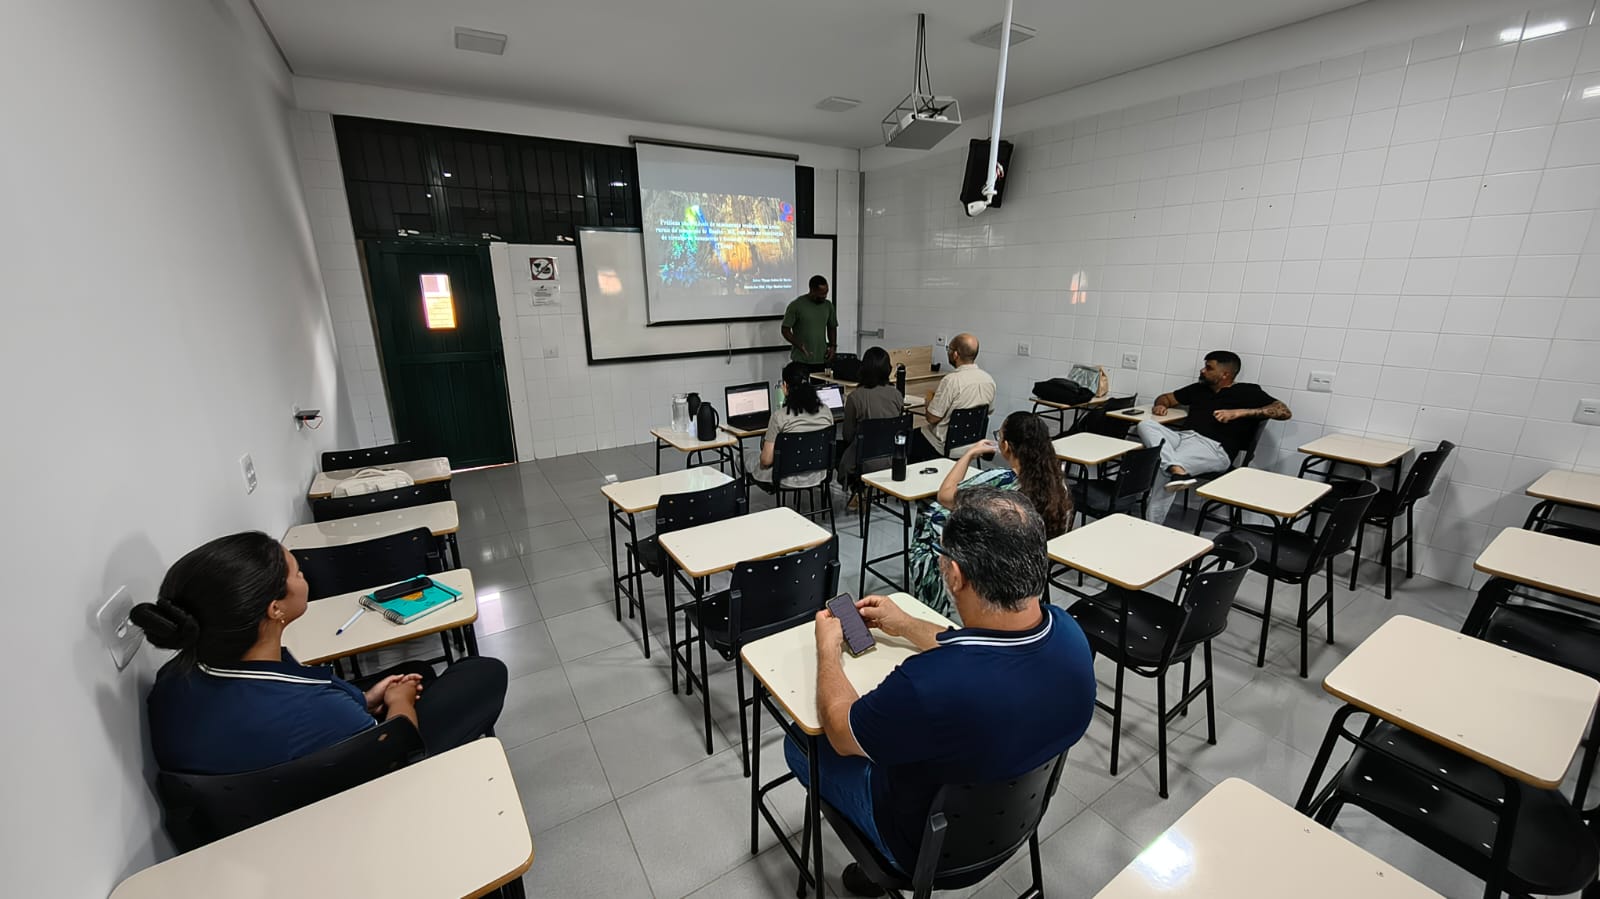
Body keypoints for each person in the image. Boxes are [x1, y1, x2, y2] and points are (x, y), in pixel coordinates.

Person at [790, 488, 1096, 897]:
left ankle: (877, 862)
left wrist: (828, 649)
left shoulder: (928, 686)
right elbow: (986, 649)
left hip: (923, 851)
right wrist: (906, 624)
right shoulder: (1072, 638)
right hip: (1019, 825)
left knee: (801, 743)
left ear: (954, 574)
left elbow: (842, 732)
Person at [133, 532, 508, 775]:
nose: (304, 578)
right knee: (482, 672)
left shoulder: (174, 681)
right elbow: (394, 749)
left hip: (255, 806)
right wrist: (399, 701)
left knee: (418, 669)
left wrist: (365, 699)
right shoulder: (311, 708)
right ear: (275, 609)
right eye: (297, 573)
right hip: (350, 794)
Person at [907, 411, 1072, 619]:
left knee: (931, 517)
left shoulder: (1000, 481)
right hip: (1027, 566)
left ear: (1006, 446)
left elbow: (945, 495)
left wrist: (969, 454)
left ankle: (932, 603)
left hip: (992, 562)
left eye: (999, 436)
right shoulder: (1059, 486)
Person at [1139, 350, 1292, 524]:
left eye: (1209, 368)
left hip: (1214, 449)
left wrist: (1240, 412)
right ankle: (1176, 468)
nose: (1202, 371)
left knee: (1163, 468)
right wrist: (1160, 405)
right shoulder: (1199, 389)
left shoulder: (1247, 391)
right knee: (1145, 425)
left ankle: (1151, 524)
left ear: (1225, 374)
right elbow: (1166, 397)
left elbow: (1284, 411)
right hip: (1182, 438)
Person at [747, 361, 835, 488]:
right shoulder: (826, 411)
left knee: (744, 456)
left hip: (786, 478)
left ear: (785, 387)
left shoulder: (779, 416)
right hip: (818, 475)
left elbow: (766, 460)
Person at [909, 333, 995, 462]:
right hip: (972, 444)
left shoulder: (951, 381)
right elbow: (989, 411)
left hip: (944, 446)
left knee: (908, 438)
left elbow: (932, 418)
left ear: (955, 354)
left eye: (948, 349)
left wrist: (928, 404)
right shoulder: (989, 380)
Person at [836, 346, 906, 505]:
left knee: (836, 451)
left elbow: (847, 435)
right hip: (893, 456)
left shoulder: (855, 397)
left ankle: (858, 488)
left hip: (865, 459)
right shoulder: (897, 395)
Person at [781, 275, 837, 373]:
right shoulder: (796, 305)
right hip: (801, 359)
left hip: (822, 359)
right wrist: (798, 344)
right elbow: (785, 330)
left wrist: (833, 347)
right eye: (821, 293)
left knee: (820, 383)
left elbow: (832, 327)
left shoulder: (828, 306)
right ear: (812, 290)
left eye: (826, 292)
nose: (824, 296)